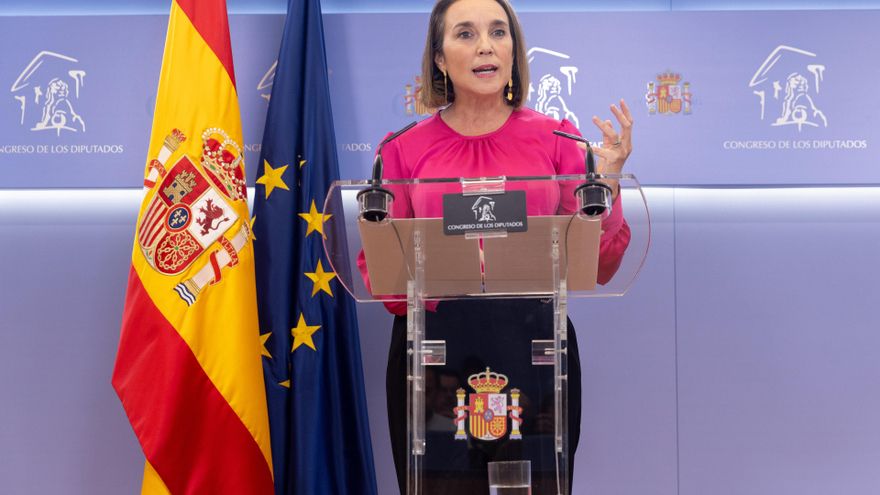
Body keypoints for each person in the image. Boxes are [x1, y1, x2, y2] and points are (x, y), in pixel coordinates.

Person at [360, 0, 633, 492]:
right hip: (434, 351)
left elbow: (600, 262)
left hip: (532, 343)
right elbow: (386, 282)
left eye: (498, 32)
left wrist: (607, 183)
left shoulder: (558, 138)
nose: (485, 45)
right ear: (440, 58)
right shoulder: (400, 147)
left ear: (513, 49)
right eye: (465, 33)